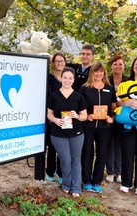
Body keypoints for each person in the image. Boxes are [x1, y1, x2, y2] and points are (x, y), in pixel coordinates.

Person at [47, 67, 87, 197]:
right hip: (58, 134)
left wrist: (77, 116)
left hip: (76, 134)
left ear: (73, 79)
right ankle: (66, 184)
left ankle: (76, 188)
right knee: (65, 159)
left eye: (70, 78)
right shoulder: (54, 96)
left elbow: (84, 116)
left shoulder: (78, 97)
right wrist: (55, 120)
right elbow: (49, 114)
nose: (67, 80)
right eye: (65, 77)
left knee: (75, 160)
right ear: (61, 79)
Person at [79, 61, 117, 193]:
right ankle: (87, 181)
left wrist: (111, 118)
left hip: (104, 128)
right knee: (87, 152)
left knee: (101, 154)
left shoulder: (110, 88)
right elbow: (79, 106)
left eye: (101, 71)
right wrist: (87, 115)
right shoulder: (84, 88)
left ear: (104, 73)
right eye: (96, 71)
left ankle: (96, 181)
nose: (99, 74)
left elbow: (114, 108)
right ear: (92, 72)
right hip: (88, 126)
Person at [118, 56, 137, 195]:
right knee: (127, 154)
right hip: (128, 126)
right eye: (136, 64)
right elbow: (118, 101)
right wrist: (126, 103)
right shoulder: (126, 83)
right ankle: (126, 183)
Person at [105, 55, 128, 183]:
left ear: (124, 66)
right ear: (111, 66)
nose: (118, 66)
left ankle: (119, 172)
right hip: (108, 115)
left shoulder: (128, 80)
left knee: (120, 145)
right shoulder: (107, 80)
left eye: (120, 64)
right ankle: (110, 172)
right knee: (109, 144)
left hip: (123, 116)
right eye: (115, 64)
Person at [45, 53, 66, 183]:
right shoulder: (49, 78)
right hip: (52, 116)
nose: (59, 63)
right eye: (56, 61)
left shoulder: (68, 77)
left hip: (66, 117)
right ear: (53, 63)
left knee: (63, 146)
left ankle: (60, 172)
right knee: (52, 146)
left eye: (61, 61)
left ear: (65, 62)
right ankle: (50, 171)